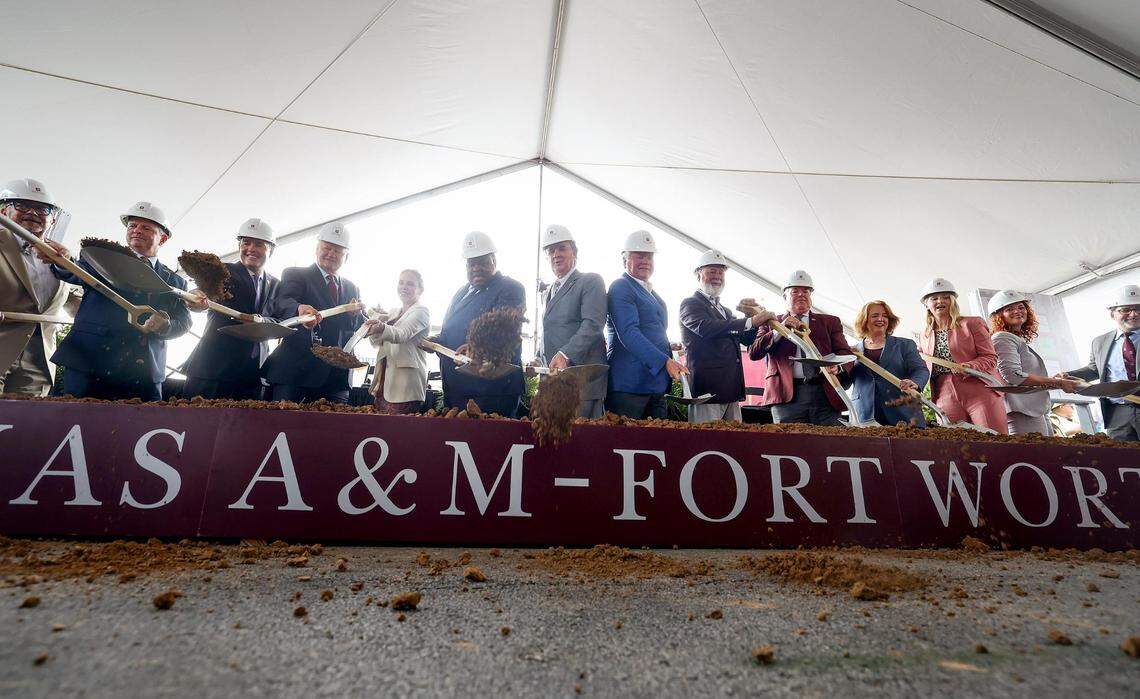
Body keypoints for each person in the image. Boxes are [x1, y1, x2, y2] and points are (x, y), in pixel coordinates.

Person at [43, 201, 192, 401]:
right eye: (132, 226)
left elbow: (184, 322)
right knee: (80, 426)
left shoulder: (175, 281)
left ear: (162, 238)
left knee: (139, 428)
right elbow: (75, 273)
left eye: (146, 227)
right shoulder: (99, 259)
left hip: (144, 372)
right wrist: (64, 261)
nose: (137, 231)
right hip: (90, 364)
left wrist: (166, 326)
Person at [263, 222, 364, 404]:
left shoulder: (352, 288)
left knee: (332, 432)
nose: (331, 254)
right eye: (327, 248)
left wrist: (360, 318)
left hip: (336, 380)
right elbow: (283, 302)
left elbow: (354, 325)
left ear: (346, 256)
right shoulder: (296, 274)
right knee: (286, 430)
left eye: (338, 251)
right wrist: (299, 309)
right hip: (296, 374)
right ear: (316, 249)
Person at [182, 218, 279, 399]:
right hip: (212, 370)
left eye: (259, 244)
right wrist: (194, 298)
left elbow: (280, 320)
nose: (251, 248)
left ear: (271, 249)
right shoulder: (222, 271)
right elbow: (203, 291)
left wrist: (261, 321)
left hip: (252, 376)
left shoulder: (276, 284)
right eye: (246, 243)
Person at [0, 178, 80, 395]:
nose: (33, 213)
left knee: (27, 426)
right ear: (4, 211)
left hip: (38, 364)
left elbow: (76, 304)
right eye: (22, 205)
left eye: (42, 209)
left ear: (52, 220)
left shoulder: (63, 258)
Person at [436, 231, 526, 417]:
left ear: (494, 260)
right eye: (471, 263)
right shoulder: (461, 292)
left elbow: (505, 330)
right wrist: (437, 341)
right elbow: (452, 329)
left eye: (482, 261)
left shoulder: (511, 288)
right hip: (456, 390)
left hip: (492, 392)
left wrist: (476, 347)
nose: (476, 268)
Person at [748, 270, 853, 425]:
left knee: (829, 444)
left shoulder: (830, 322)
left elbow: (845, 353)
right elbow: (754, 352)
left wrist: (838, 368)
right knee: (789, 445)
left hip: (824, 393)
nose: (801, 295)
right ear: (784, 297)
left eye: (806, 291)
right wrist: (780, 330)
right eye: (795, 291)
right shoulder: (771, 322)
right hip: (786, 395)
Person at [679, 249, 769, 423]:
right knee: (706, 443)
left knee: (731, 444)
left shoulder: (725, 311)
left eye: (721, 272)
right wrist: (751, 321)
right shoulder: (690, 304)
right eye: (712, 271)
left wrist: (753, 316)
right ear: (699, 273)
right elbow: (706, 328)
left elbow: (746, 339)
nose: (717, 276)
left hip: (731, 389)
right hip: (707, 391)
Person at [605, 230, 686, 419]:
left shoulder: (652, 293)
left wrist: (667, 348)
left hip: (655, 387)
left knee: (656, 445)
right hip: (629, 387)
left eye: (649, 256)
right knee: (626, 444)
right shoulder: (621, 286)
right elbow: (628, 332)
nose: (645, 261)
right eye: (639, 255)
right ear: (625, 259)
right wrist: (665, 361)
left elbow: (652, 332)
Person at [535, 224, 608, 418]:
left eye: (562, 248)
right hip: (553, 385)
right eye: (551, 251)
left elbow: (593, 324)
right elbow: (549, 332)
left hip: (582, 384)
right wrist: (538, 357)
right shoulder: (548, 291)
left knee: (582, 444)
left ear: (574, 252)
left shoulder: (590, 281)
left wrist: (565, 354)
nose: (556, 254)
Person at [917, 278, 1006, 433]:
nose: (940, 301)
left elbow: (990, 357)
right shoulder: (923, 336)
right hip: (943, 394)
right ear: (926, 304)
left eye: (945, 297)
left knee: (994, 440)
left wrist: (969, 366)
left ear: (953, 300)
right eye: (934, 298)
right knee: (956, 446)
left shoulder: (972, 323)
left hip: (978, 388)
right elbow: (920, 366)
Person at [988, 291, 1079, 435]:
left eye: (1020, 307)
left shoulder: (1015, 338)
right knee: (1035, 456)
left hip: (1033, 410)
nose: (1017, 311)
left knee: (1046, 456)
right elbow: (1013, 375)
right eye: (1009, 309)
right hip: (1022, 411)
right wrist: (1058, 383)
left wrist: (1055, 380)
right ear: (999, 315)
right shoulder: (1002, 338)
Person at [1059, 284, 1140, 441]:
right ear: (1112, 313)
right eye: (1125, 310)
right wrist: (1067, 376)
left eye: (1138, 308)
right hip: (1117, 413)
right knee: (1123, 461)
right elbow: (1094, 370)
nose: (1134, 314)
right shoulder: (1100, 342)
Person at [850, 300, 929, 427]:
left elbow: (920, 370)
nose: (881, 319)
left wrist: (915, 382)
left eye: (885, 316)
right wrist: (835, 370)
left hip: (903, 412)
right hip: (864, 415)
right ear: (864, 320)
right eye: (875, 315)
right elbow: (845, 380)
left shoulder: (904, 345)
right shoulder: (853, 351)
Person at [363, 269, 430, 414]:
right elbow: (376, 343)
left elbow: (402, 334)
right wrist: (376, 321)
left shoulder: (422, 311)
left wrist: (381, 326)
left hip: (406, 386)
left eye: (410, 284)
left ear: (420, 290)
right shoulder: (392, 312)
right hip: (384, 382)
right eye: (401, 283)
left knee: (401, 433)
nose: (404, 287)